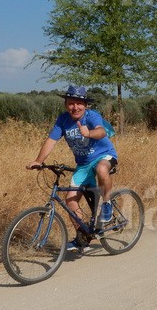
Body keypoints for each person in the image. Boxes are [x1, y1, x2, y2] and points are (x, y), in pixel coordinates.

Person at [27, 85, 118, 252]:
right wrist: (39, 161)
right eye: (71, 103)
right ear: (65, 105)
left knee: (101, 169)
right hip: (83, 164)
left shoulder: (92, 116)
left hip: (104, 155)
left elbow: (101, 132)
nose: (75, 107)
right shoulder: (63, 120)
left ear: (85, 105)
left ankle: (107, 204)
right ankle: (83, 236)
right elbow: (51, 140)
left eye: (79, 103)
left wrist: (88, 133)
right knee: (70, 201)